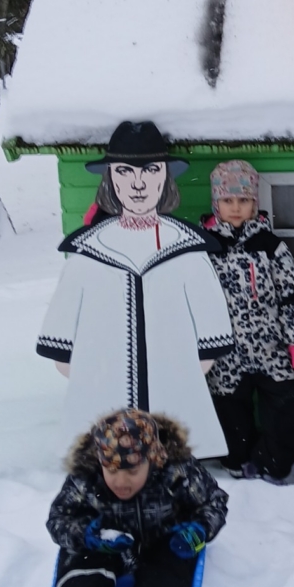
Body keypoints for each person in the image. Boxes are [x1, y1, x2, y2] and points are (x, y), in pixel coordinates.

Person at [37, 121, 234, 460]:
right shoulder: (87, 251)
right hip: (104, 405)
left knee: (168, 468)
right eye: (125, 172)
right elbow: (61, 350)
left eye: (151, 170)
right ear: (111, 179)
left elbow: (211, 341)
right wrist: (97, 374)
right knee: (112, 471)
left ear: (165, 178)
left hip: (173, 404)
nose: (138, 183)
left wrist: (176, 371)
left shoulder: (188, 249)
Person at [45, 409, 229, 587]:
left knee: (172, 560)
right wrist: (85, 535)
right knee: (80, 553)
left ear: (152, 459)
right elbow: (59, 517)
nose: (121, 481)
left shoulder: (177, 472)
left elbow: (213, 501)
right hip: (107, 545)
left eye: (132, 471)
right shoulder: (86, 477)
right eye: (111, 470)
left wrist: (199, 529)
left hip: (162, 540)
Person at [201, 160, 294, 482]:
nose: (236, 207)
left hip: (271, 348)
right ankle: (238, 464)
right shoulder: (204, 248)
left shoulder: (271, 246)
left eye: (244, 200)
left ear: (255, 203)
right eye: (228, 200)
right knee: (229, 415)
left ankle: (271, 465)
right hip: (225, 354)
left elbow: (292, 295)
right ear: (216, 203)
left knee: (290, 405)